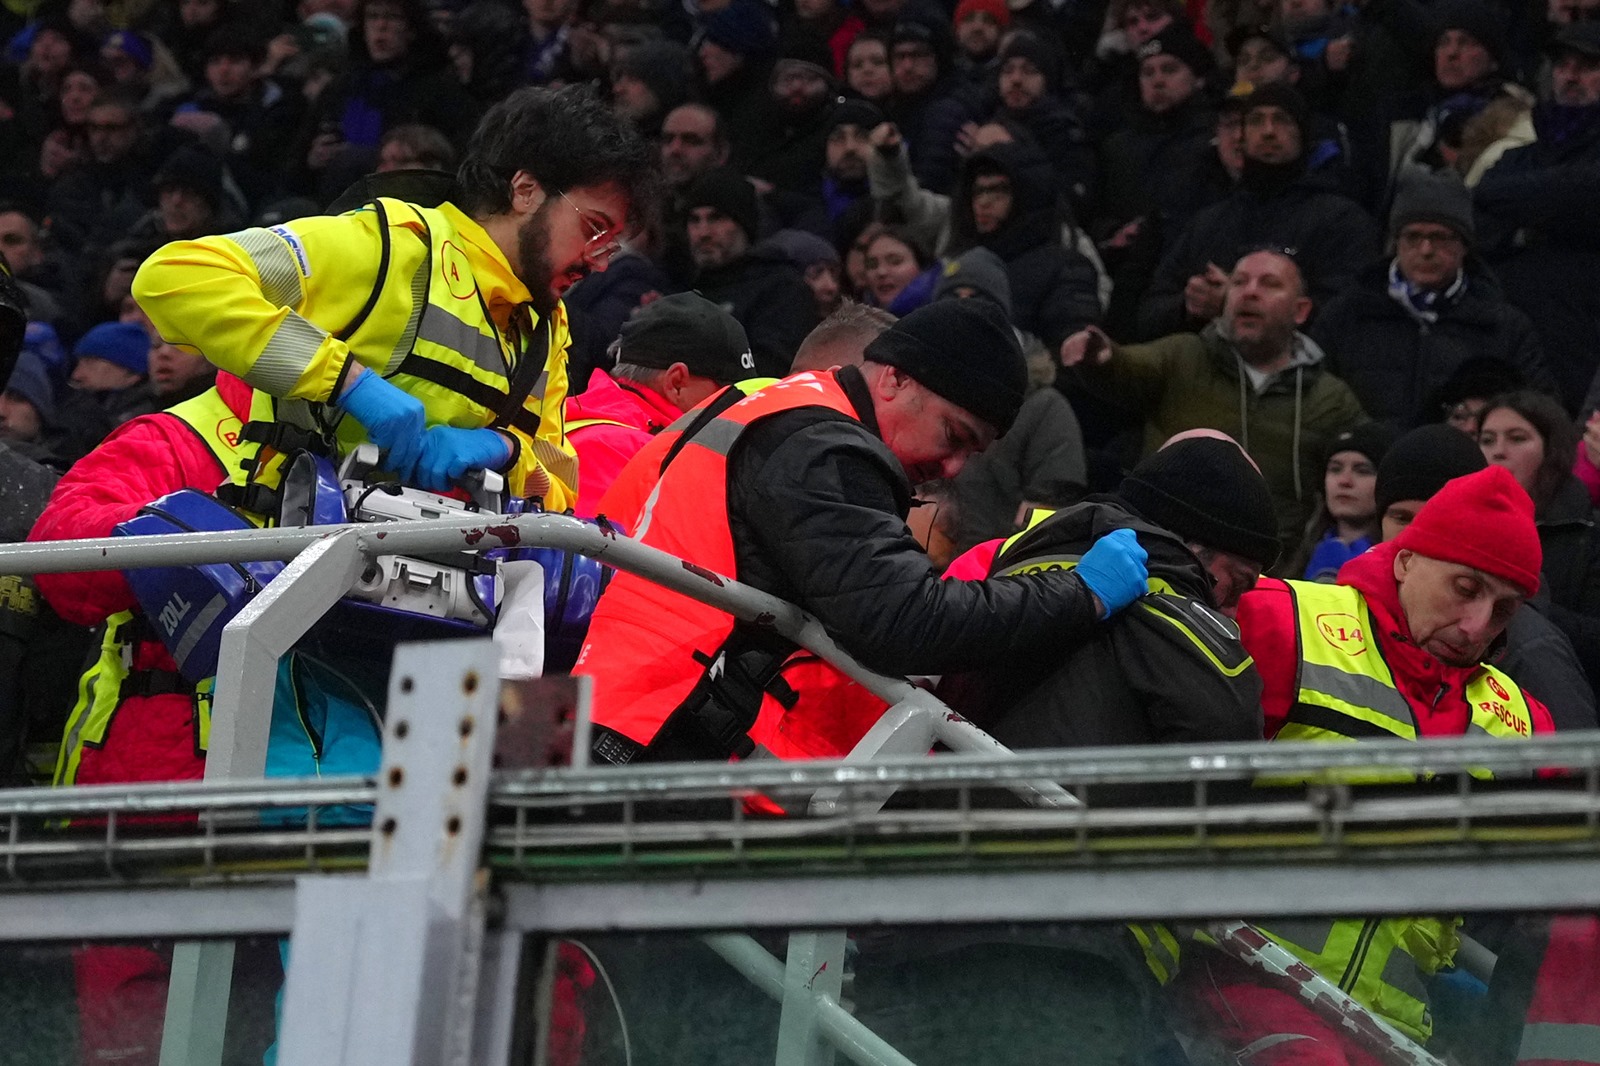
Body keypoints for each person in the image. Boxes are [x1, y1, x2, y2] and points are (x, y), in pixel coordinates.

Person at [573, 299, 1152, 767]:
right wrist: (1082, 594)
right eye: (953, 435)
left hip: (635, 711)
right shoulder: (822, 445)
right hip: (666, 733)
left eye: (972, 454)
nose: (951, 470)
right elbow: (904, 620)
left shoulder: (772, 408)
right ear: (895, 379)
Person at [1177, 464, 1558, 1063]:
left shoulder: (1524, 722)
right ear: (1404, 559)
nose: (1477, 626)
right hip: (1248, 973)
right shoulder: (1282, 620)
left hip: (1396, 1026)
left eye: (1504, 610)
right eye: (1464, 589)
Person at [132, 84, 658, 510]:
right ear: (525, 191)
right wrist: (349, 383)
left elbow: (561, 473)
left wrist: (501, 448)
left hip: (425, 605)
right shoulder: (393, 247)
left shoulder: (549, 325)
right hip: (282, 573)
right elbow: (174, 276)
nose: (600, 260)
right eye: (593, 229)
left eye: (612, 243)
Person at [1063, 247, 1366, 552]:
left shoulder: (1330, 397)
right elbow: (1127, 367)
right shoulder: (1184, 355)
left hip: (1281, 568)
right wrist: (1101, 357)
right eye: (1239, 282)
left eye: (1269, 284)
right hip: (1168, 553)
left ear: (1300, 310)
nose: (1250, 292)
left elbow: (1370, 457)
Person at [1377, 423, 1595, 731]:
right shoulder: (1326, 619)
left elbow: (1576, 771)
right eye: (1400, 517)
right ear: (1405, 562)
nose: (1477, 627)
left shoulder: (1531, 652)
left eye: (1432, 514)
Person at [1312, 168, 1554, 429]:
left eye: (1440, 238)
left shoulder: (1505, 327)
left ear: (1464, 245)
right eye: (1413, 237)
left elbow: (1541, 418)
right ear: (1396, 241)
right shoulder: (1347, 314)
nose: (1426, 250)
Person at [1136, 82, 1380, 339]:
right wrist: (1189, 306)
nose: (1268, 132)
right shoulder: (1209, 222)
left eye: (1281, 120)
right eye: (1255, 121)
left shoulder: (1341, 221)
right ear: (1242, 135)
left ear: (1303, 134)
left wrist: (1235, 304)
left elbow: (1351, 316)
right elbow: (1150, 313)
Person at [564, 293, 753, 517]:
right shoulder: (622, 451)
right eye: (727, 395)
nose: (735, 410)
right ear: (676, 383)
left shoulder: (585, 420)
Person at [1477, 390, 1600, 692]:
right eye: (1487, 440)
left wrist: (1522, 607)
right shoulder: (1462, 528)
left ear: (1551, 451)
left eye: (1517, 439)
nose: (1498, 451)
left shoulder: (1589, 531)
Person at [682, 167, 818, 376]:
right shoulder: (685, 291)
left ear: (744, 224)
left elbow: (772, 367)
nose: (703, 233)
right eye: (694, 220)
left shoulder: (782, 289)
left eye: (716, 218)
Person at [1290, 423, 1394, 582]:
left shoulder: (1399, 563)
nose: (1344, 481)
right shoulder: (1302, 552)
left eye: (1362, 471)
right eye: (1335, 469)